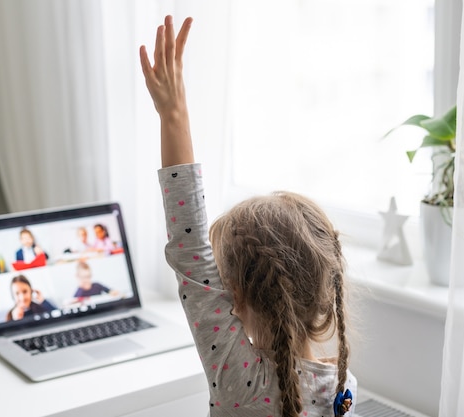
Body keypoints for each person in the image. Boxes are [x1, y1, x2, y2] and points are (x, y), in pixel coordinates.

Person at [140, 15, 356, 417]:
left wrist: (173, 114)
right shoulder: (340, 386)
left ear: (234, 295)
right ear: (325, 293)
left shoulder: (245, 381)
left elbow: (189, 250)